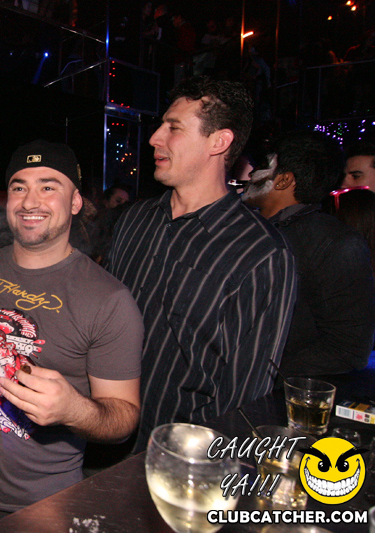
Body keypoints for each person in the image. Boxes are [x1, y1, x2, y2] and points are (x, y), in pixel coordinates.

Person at [106, 77, 297, 451]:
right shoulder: (134, 220)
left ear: (219, 142)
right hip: (102, 442)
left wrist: (203, 465)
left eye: (173, 127)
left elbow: (245, 393)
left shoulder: (261, 253)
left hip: (184, 457)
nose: (155, 138)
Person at [0, 140, 143, 523]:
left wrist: (73, 409)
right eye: (19, 187)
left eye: (48, 187)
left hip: (41, 506)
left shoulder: (109, 299)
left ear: (75, 202)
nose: (30, 201)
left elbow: (124, 418)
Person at [243, 130, 375, 375]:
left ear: (283, 180)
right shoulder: (245, 230)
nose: (251, 174)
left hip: (275, 393)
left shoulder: (334, 242)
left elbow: (348, 348)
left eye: (261, 167)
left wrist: (259, 374)